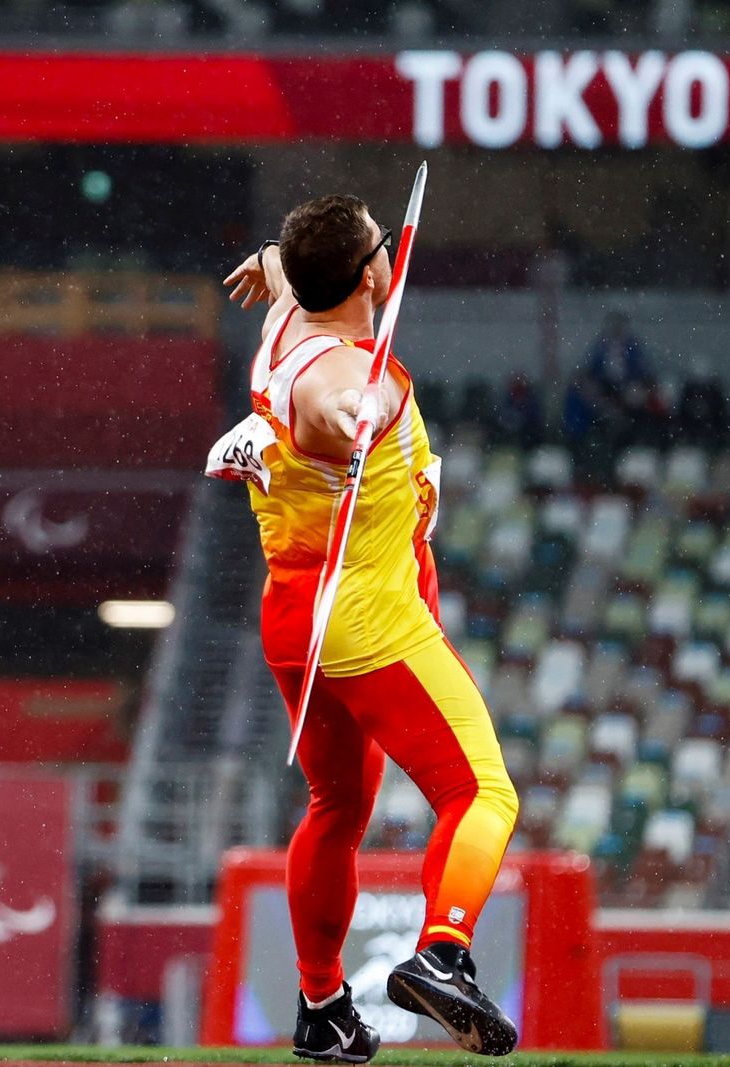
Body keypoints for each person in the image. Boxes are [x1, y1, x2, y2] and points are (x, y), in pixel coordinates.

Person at [211, 195, 520, 1061]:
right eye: (382, 242)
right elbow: (337, 396)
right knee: (483, 794)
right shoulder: (339, 375)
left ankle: (322, 1009)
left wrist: (272, 253)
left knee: (337, 805)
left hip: (294, 616)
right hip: (368, 621)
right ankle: (444, 952)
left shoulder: (288, 311)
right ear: (372, 272)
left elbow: (286, 273)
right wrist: (360, 415)